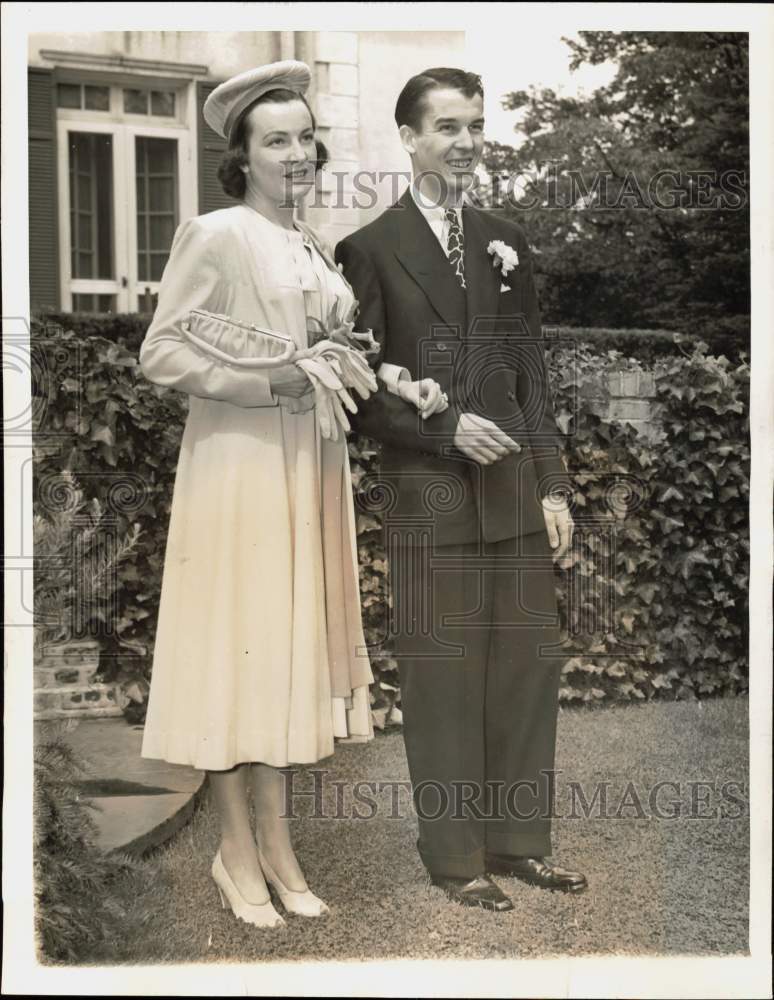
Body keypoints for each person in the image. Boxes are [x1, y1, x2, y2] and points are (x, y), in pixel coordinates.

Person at [138, 61, 435, 928]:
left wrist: (394, 382)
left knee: (275, 659)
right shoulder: (218, 233)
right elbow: (164, 352)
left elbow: (335, 355)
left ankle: (275, 849)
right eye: (278, 141)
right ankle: (238, 855)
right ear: (243, 156)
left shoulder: (309, 244)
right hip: (238, 468)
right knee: (237, 651)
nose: (297, 154)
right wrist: (274, 383)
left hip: (308, 468)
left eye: (306, 137)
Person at [335, 67, 588, 911]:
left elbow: (532, 374)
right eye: (448, 127)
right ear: (408, 138)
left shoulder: (506, 239)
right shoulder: (368, 249)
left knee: (526, 670)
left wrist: (554, 485)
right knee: (443, 682)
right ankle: (456, 859)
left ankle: (521, 844)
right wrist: (443, 432)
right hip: (429, 502)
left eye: (476, 126)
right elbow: (361, 390)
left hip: (515, 494)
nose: (467, 143)